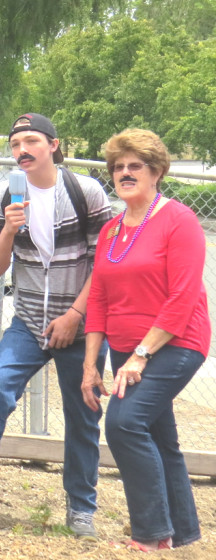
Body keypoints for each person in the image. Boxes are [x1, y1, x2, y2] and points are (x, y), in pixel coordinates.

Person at [0, 113, 113, 539]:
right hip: (28, 323)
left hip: (80, 325)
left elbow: (105, 264)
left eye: (32, 141)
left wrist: (75, 316)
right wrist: (9, 230)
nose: (22, 149)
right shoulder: (5, 193)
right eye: (15, 142)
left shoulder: (85, 191)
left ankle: (80, 509)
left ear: (53, 145)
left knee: (84, 413)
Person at [81, 129, 209, 551]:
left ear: (156, 172)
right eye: (118, 167)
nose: (125, 172)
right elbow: (98, 298)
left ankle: (152, 533)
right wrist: (90, 366)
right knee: (159, 438)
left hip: (174, 345)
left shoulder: (179, 220)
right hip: (125, 347)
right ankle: (185, 535)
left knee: (124, 423)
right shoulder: (112, 230)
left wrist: (139, 355)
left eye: (135, 166)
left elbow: (183, 297)